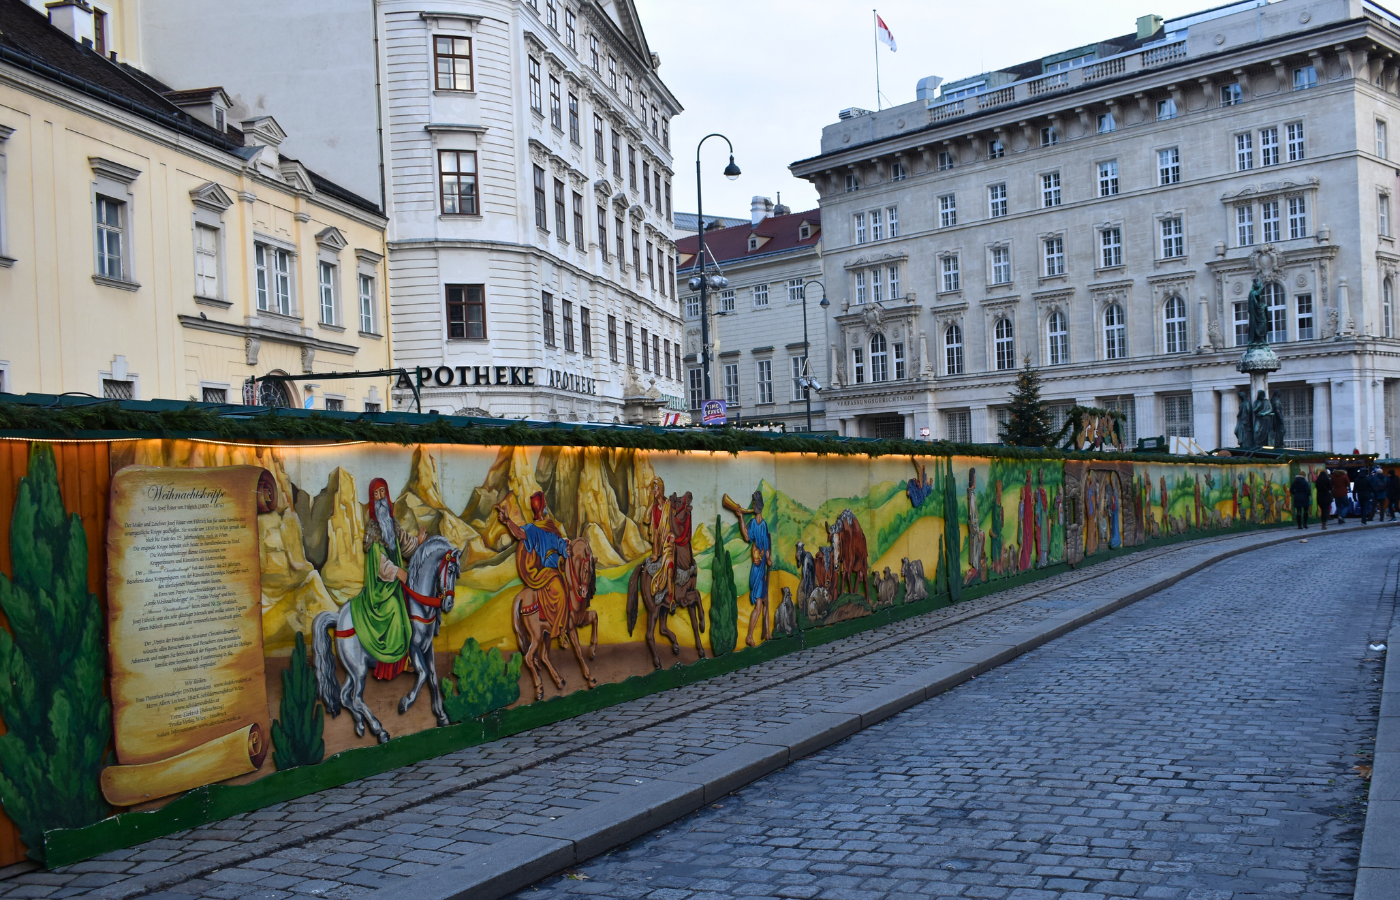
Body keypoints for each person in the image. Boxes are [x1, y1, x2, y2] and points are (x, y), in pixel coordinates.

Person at [349, 478, 423, 681]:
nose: (381, 497)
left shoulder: (392, 523)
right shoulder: (373, 528)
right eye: (376, 494)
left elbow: (406, 545)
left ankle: (404, 659)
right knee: (394, 608)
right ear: (372, 500)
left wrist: (418, 542)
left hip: (394, 584)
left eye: (383, 492)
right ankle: (387, 665)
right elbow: (378, 562)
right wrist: (397, 571)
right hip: (380, 588)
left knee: (409, 604)